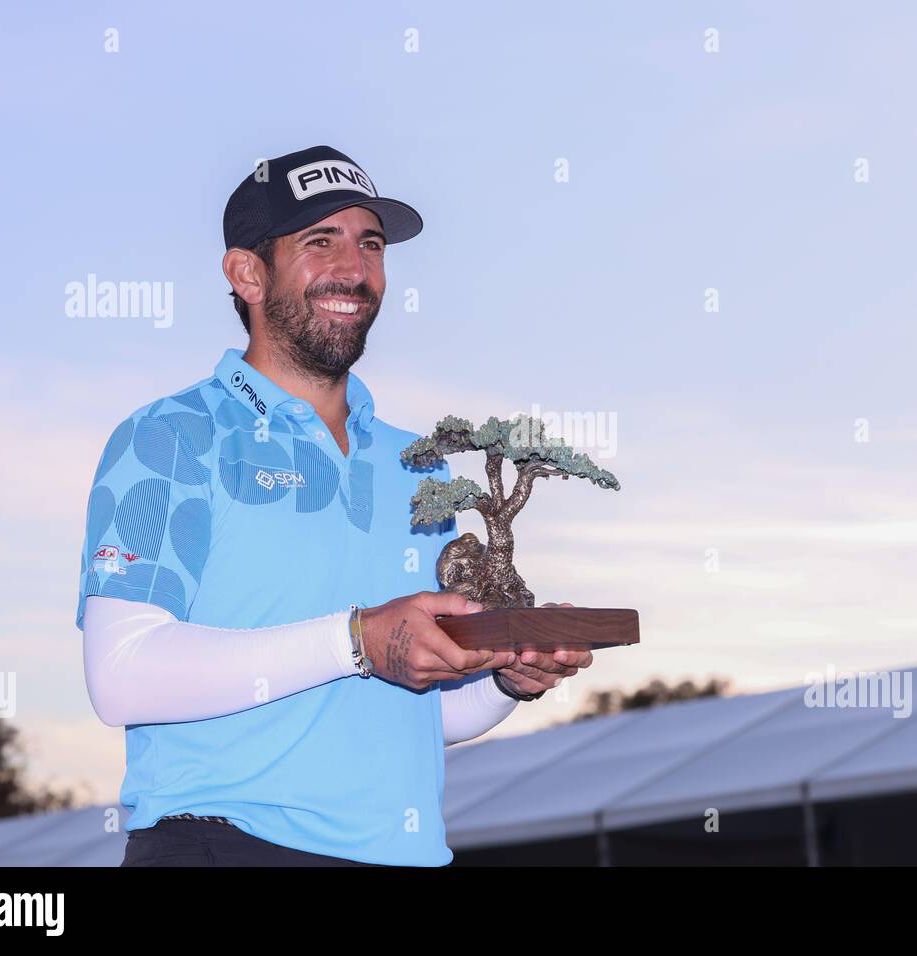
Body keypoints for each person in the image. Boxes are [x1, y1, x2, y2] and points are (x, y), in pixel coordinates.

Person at [77, 145, 593, 867]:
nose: (355, 269)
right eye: (321, 241)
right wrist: (358, 639)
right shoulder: (170, 437)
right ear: (247, 273)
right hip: (224, 848)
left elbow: (415, 714)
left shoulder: (422, 464)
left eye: (370, 244)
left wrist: (507, 680)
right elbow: (120, 675)